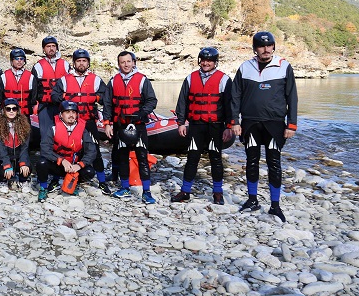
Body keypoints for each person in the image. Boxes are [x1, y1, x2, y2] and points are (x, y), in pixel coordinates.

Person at [231, 32, 297, 222]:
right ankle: (252, 200)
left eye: (269, 46)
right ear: (255, 48)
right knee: (252, 161)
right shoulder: (245, 67)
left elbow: (292, 97)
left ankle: (275, 206)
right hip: (250, 123)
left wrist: (291, 125)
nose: (266, 49)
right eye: (261, 46)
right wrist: (234, 122)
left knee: (274, 163)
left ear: (274, 47)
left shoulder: (283, 66)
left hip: (275, 125)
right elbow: (235, 96)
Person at [171, 47, 233, 205]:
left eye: (210, 61)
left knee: (215, 158)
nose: (206, 63)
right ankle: (185, 191)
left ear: (215, 62)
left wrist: (229, 127)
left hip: (215, 126)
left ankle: (217, 193)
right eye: (203, 60)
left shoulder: (224, 80)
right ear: (199, 61)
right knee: (192, 158)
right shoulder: (190, 78)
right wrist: (181, 123)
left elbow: (229, 106)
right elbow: (182, 102)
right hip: (196, 125)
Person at [51, 48, 110, 194]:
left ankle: (102, 182)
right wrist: (64, 97)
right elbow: (54, 96)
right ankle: (55, 179)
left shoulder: (95, 79)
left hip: (88, 120)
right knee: (61, 149)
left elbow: (106, 97)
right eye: (78, 61)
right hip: (69, 121)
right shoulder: (64, 79)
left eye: (84, 61)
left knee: (95, 151)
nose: (81, 63)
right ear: (74, 63)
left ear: (88, 63)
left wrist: (95, 98)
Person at [103, 51, 158, 204]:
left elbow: (152, 101)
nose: (126, 65)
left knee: (142, 158)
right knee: (122, 157)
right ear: (118, 64)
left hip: (138, 126)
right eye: (122, 62)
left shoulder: (142, 80)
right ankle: (125, 187)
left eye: (128, 61)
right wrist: (107, 124)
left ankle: (147, 192)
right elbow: (107, 104)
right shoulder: (114, 81)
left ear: (133, 62)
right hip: (121, 125)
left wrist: (141, 113)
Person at [36, 101, 98, 203]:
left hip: (74, 166)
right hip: (58, 164)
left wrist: (80, 165)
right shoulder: (53, 128)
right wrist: (61, 160)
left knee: (89, 172)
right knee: (41, 163)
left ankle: (74, 183)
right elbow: (45, 149)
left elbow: (92, 151)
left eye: (73, 112)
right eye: (67, 112)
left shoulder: (83, 130)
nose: (71, 115)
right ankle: (43, 188)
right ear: (61, 114)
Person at [0, 98, 32, 193]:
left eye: (14, 109)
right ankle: (3, 181)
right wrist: (6, 164)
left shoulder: (25, 125)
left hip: (17, 156)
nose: (11, 111)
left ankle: (23, 181)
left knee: (27, 167)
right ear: (3, 111)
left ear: (18, 110)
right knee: (2, 170)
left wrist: (23, 163)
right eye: (8, 109)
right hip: (4, 156)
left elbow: (25, 148)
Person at [32, 36, 71, 132]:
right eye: (48, 46)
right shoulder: (38, 66)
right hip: (45, 106)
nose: (51, 48)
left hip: (62, 105)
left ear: (57, 48)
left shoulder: (65, 64)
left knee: (62, 133)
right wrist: (35, 104)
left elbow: (71, 84)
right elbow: (34, 88)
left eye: (53, 46)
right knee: (46, 134)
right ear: (44, 49)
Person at [0, 48, 38, 116]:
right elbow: (0, 96)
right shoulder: (3, 77)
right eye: (16, 59)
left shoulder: (31, 77)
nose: (19, 61)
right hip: (8, 112)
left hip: (25, 113)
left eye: (21, 59)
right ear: (12, 61)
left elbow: (33, 97)